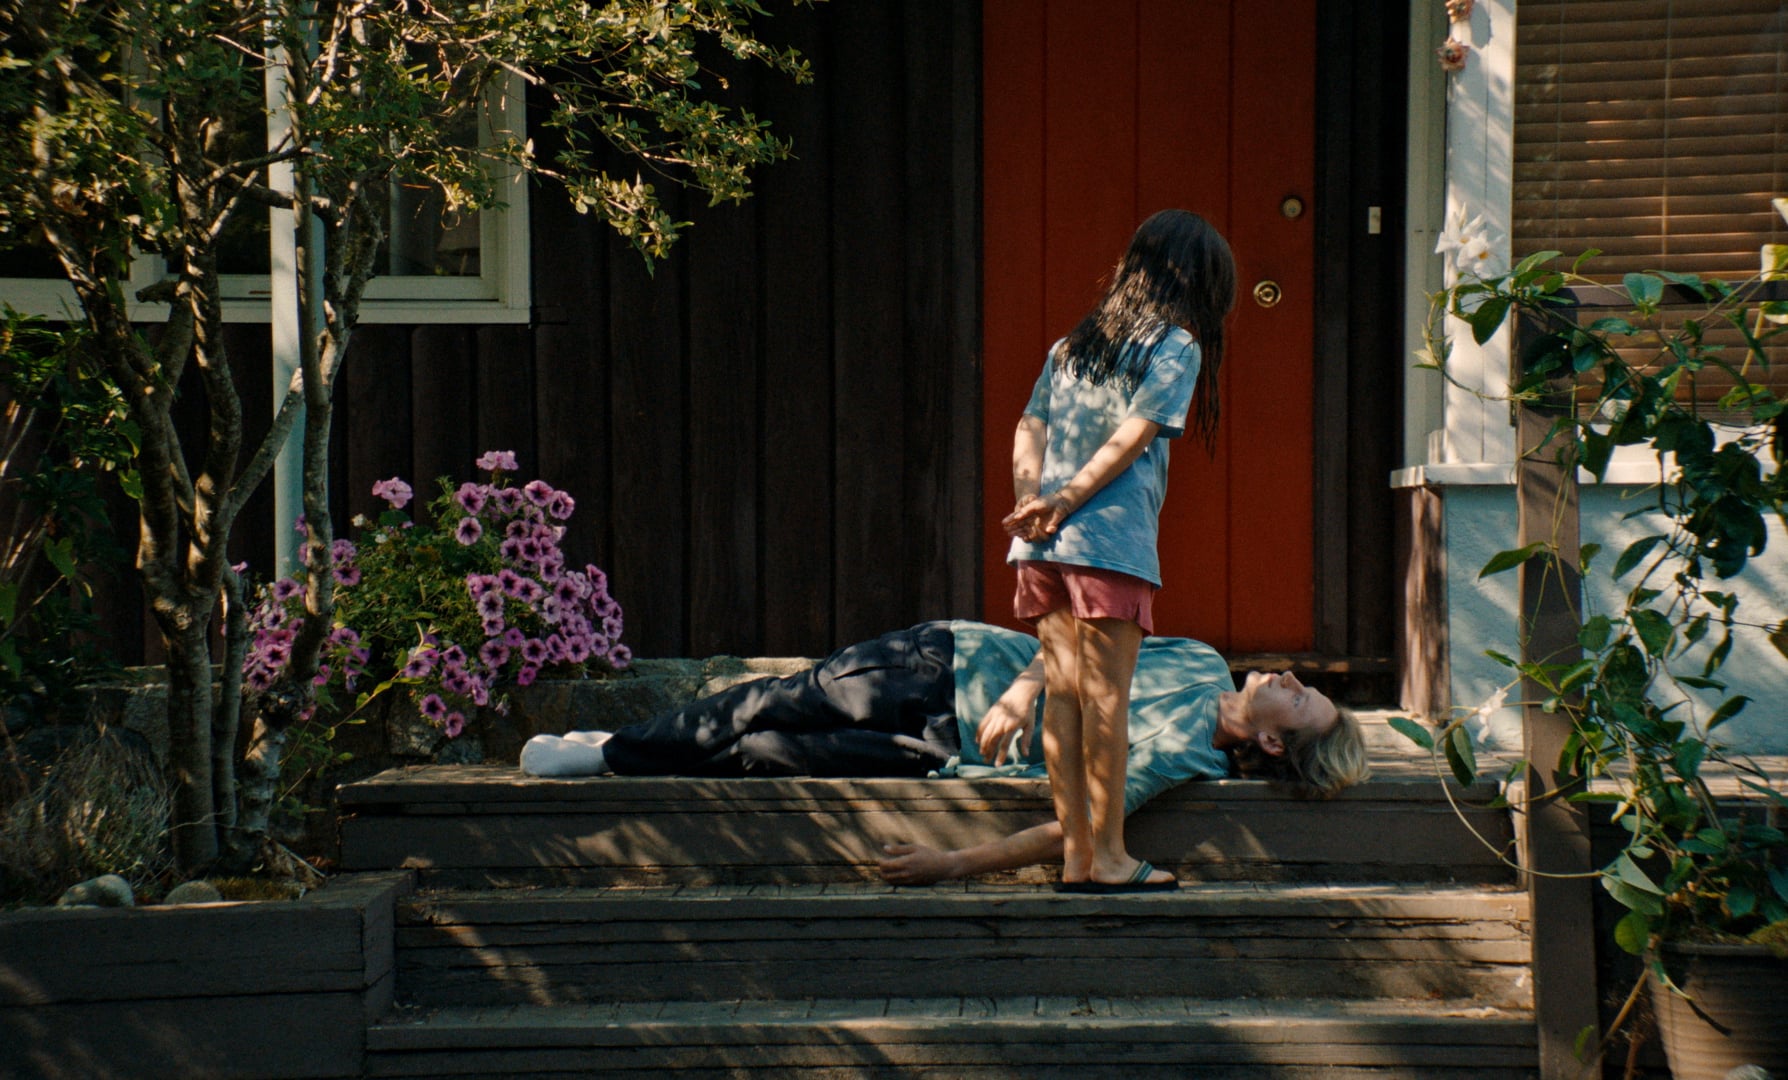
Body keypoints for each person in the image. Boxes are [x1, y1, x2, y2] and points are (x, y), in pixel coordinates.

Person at [518, 620, 1370, 891]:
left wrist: (951, 865)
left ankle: (628, 749)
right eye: (1299, 682)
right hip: (952, 665)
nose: (1291, 675)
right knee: (774, 698)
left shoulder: (1190, 762)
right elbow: (1083, 629)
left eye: (1299, 698)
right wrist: (1028, 686)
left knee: (769, 752)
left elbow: (1070, 831)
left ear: (1268, 742)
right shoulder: (1198, 661)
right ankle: (610, 754)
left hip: (941, 751)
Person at [1000, 209, 1237, 892]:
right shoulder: (1176, 345)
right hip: (1108, 546)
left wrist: (1032, 501)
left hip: (1042, 546)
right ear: (1196, 281)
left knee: (1065, 699)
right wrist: (1067, 500)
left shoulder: (1073, 345)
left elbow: (1030, 423)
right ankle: (1107, 857)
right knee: (1106, 703)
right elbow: (1137, 434)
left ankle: (1078, 855)